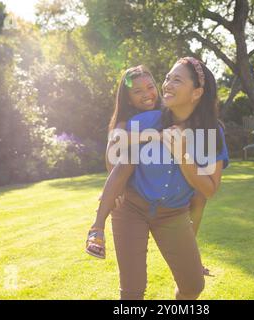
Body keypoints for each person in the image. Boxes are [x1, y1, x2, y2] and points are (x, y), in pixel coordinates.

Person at [87, 57, 229, 300]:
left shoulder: (211, 133)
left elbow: (210, 189)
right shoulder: (145, 120)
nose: (167, 85)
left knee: (193, 286)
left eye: (177, 80)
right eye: (167, 78)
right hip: (131, 208)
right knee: (132, 292)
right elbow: (115, 147)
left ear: (196, 93)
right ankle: (95, 227)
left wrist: (182, 154)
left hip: (173, 214)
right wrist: (118, 190)